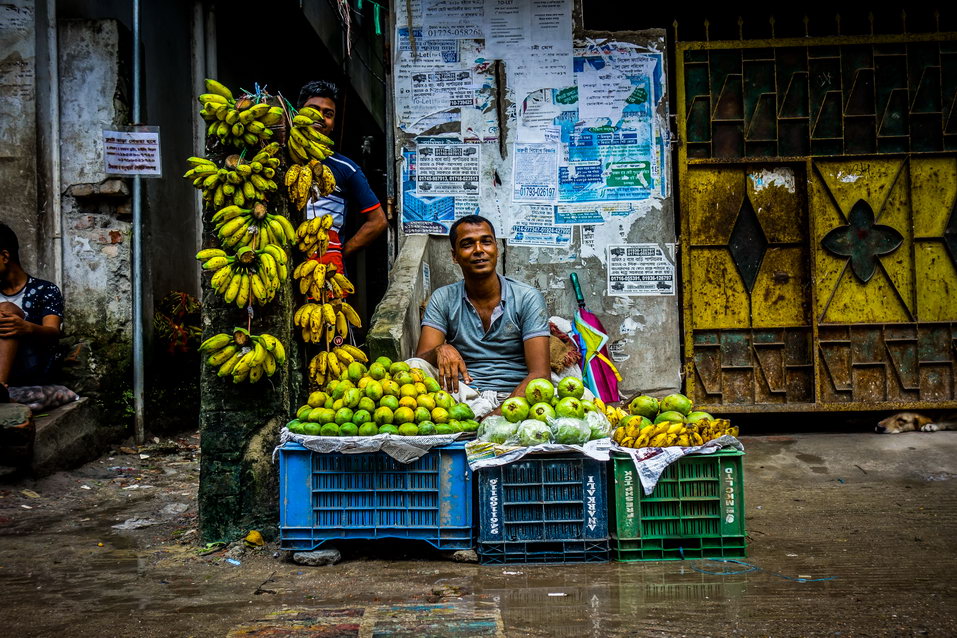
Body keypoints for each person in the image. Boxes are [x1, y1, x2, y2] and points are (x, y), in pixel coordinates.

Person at [414, 215, 551, 417]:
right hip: (462, 395)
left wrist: (495, 417)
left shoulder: (527, 297)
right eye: (468, 244)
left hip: (515, 396)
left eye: (486, 242)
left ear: (497, 248)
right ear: (455, 256)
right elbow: (421, 362)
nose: (479, 250)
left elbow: (540, 373)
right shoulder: (443, 298)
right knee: (413, 367)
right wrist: (440, 350)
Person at [298, 80, 388, 274]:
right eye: (313, 109)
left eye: (328, 114)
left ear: (333, 125)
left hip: (326, 271)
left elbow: (378, 221)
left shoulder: (346, 168)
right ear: (297, 114)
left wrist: (340, 251)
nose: (320, 117)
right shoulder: (277, 162)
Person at [0, 223, 63, 402]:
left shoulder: (45, 290)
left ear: (4, 256)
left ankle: (0, 386)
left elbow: (53, 332)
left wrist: (26, 328)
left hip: (32, 367)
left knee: (6, 310)